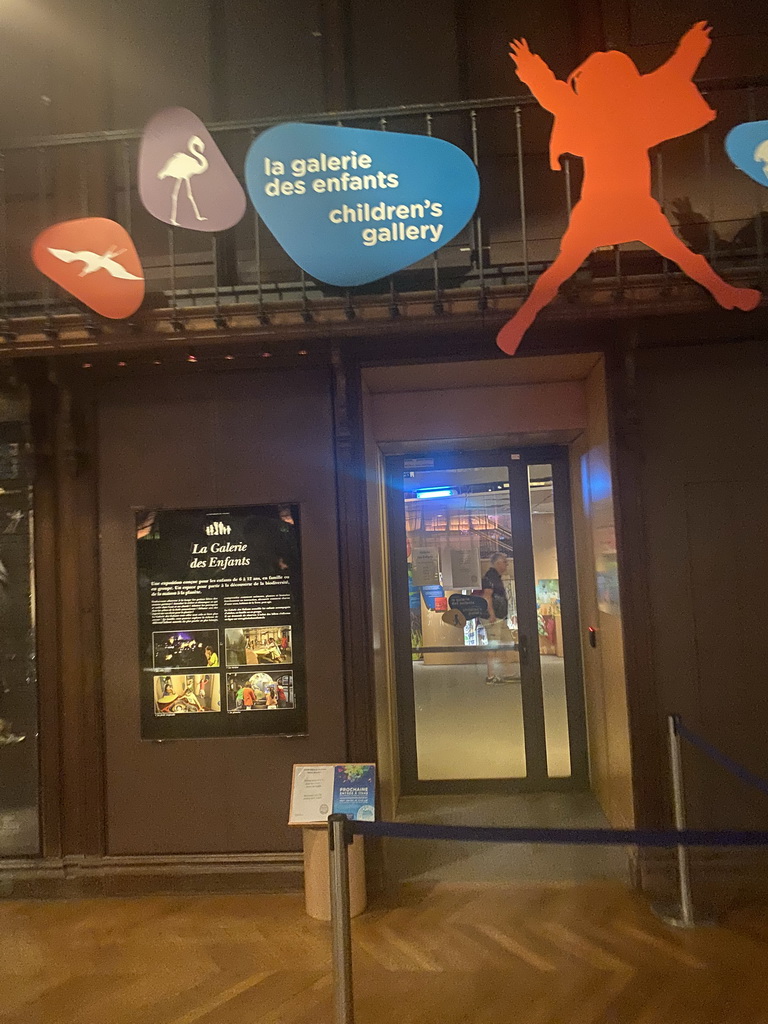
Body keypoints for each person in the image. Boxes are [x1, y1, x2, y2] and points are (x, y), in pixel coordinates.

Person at [497, 24, 761, 356]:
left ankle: (521, 320)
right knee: (676, 254)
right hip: (620, 204)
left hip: (612, 205)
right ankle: (725, 292)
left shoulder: (601, 113)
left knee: (565, 267)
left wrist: (530, 65)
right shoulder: (629, 115)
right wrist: (692, 49)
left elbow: (552, 92)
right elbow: (671, 75)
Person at [481, 552, 517, 684]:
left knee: (507, 643)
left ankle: (509, 672)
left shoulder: (496, 577)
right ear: (497, 563)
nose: (506, 564)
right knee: (493, 645)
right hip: (494, 617)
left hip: (500, 617)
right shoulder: (490, 577)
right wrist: (491, 614)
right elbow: (487, 596)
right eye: (504, 562)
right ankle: (490, 676)